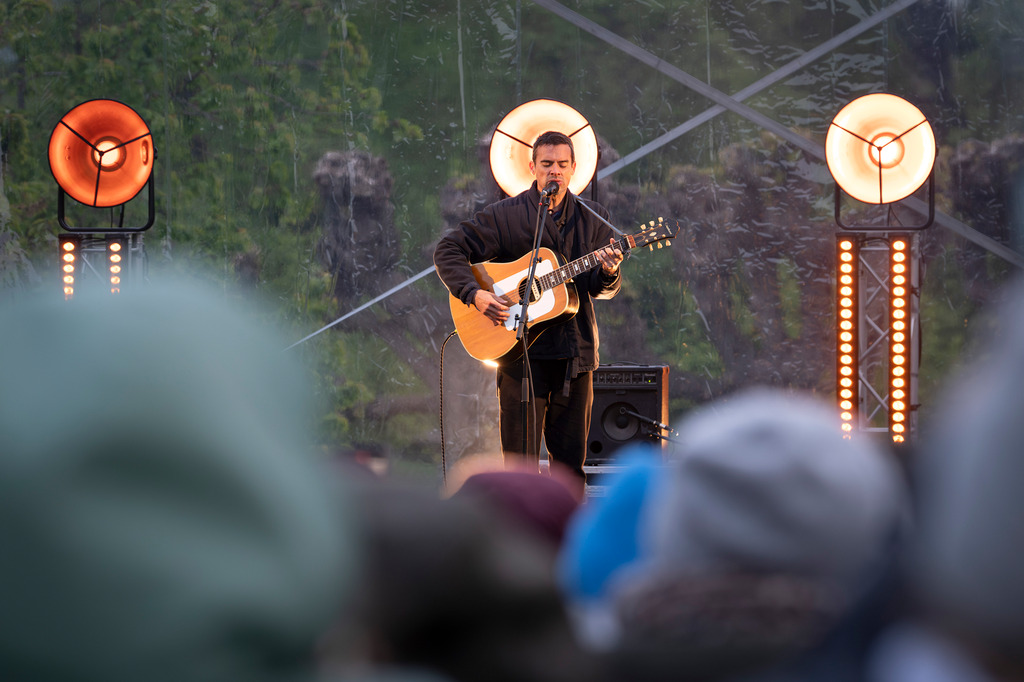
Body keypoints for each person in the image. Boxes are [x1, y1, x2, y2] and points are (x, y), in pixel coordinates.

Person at [434, 129, 624, 492]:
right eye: (547, 163)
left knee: (569, 469)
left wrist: (609, 269)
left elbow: (600, 289)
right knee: (519, 470)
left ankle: (565, 540)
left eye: (562, 165)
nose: (555, 171)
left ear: (573, 169)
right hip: (519, 356)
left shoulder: (595, 218)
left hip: (574, 356)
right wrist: (474, 294)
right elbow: (448, 250)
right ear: (532, 167)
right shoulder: (505, 216)